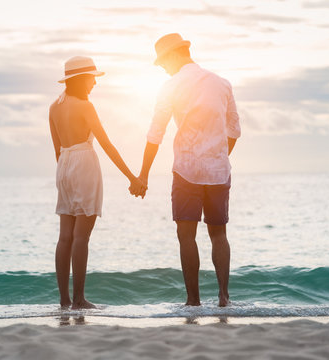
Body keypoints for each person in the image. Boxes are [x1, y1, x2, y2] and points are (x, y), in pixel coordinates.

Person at [136, 33, 241, 307]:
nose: (162, 68)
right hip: (219, 171)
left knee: (186, 236)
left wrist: (143, 175)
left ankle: (193, 301)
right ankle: (224, 297)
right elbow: (235, 130)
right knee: (219, 235)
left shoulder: (171, 86)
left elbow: (155, 134)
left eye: (162, 62)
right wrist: (217, 155)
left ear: (173, 55)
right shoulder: (222, 83)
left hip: (186, 170)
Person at [49, 56, 146, 309]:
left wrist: (65, 173)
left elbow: (57, 150)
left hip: (64, 165)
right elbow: (106, 144)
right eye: (92, 78)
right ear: (80, 80)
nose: (94, 83)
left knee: (65, 237)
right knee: (81, 236)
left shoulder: (54, 107)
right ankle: (79, 299)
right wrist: (132, 177)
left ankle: (64, 300)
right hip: (83, 163)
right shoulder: (85, 107)